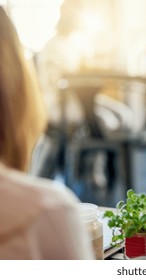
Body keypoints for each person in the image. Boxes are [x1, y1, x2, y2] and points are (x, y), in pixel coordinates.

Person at [0, 6, 93, 259]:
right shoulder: (50, 214)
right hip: (57, 107)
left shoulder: (69, 44)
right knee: (91, 121)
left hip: (59, 107)